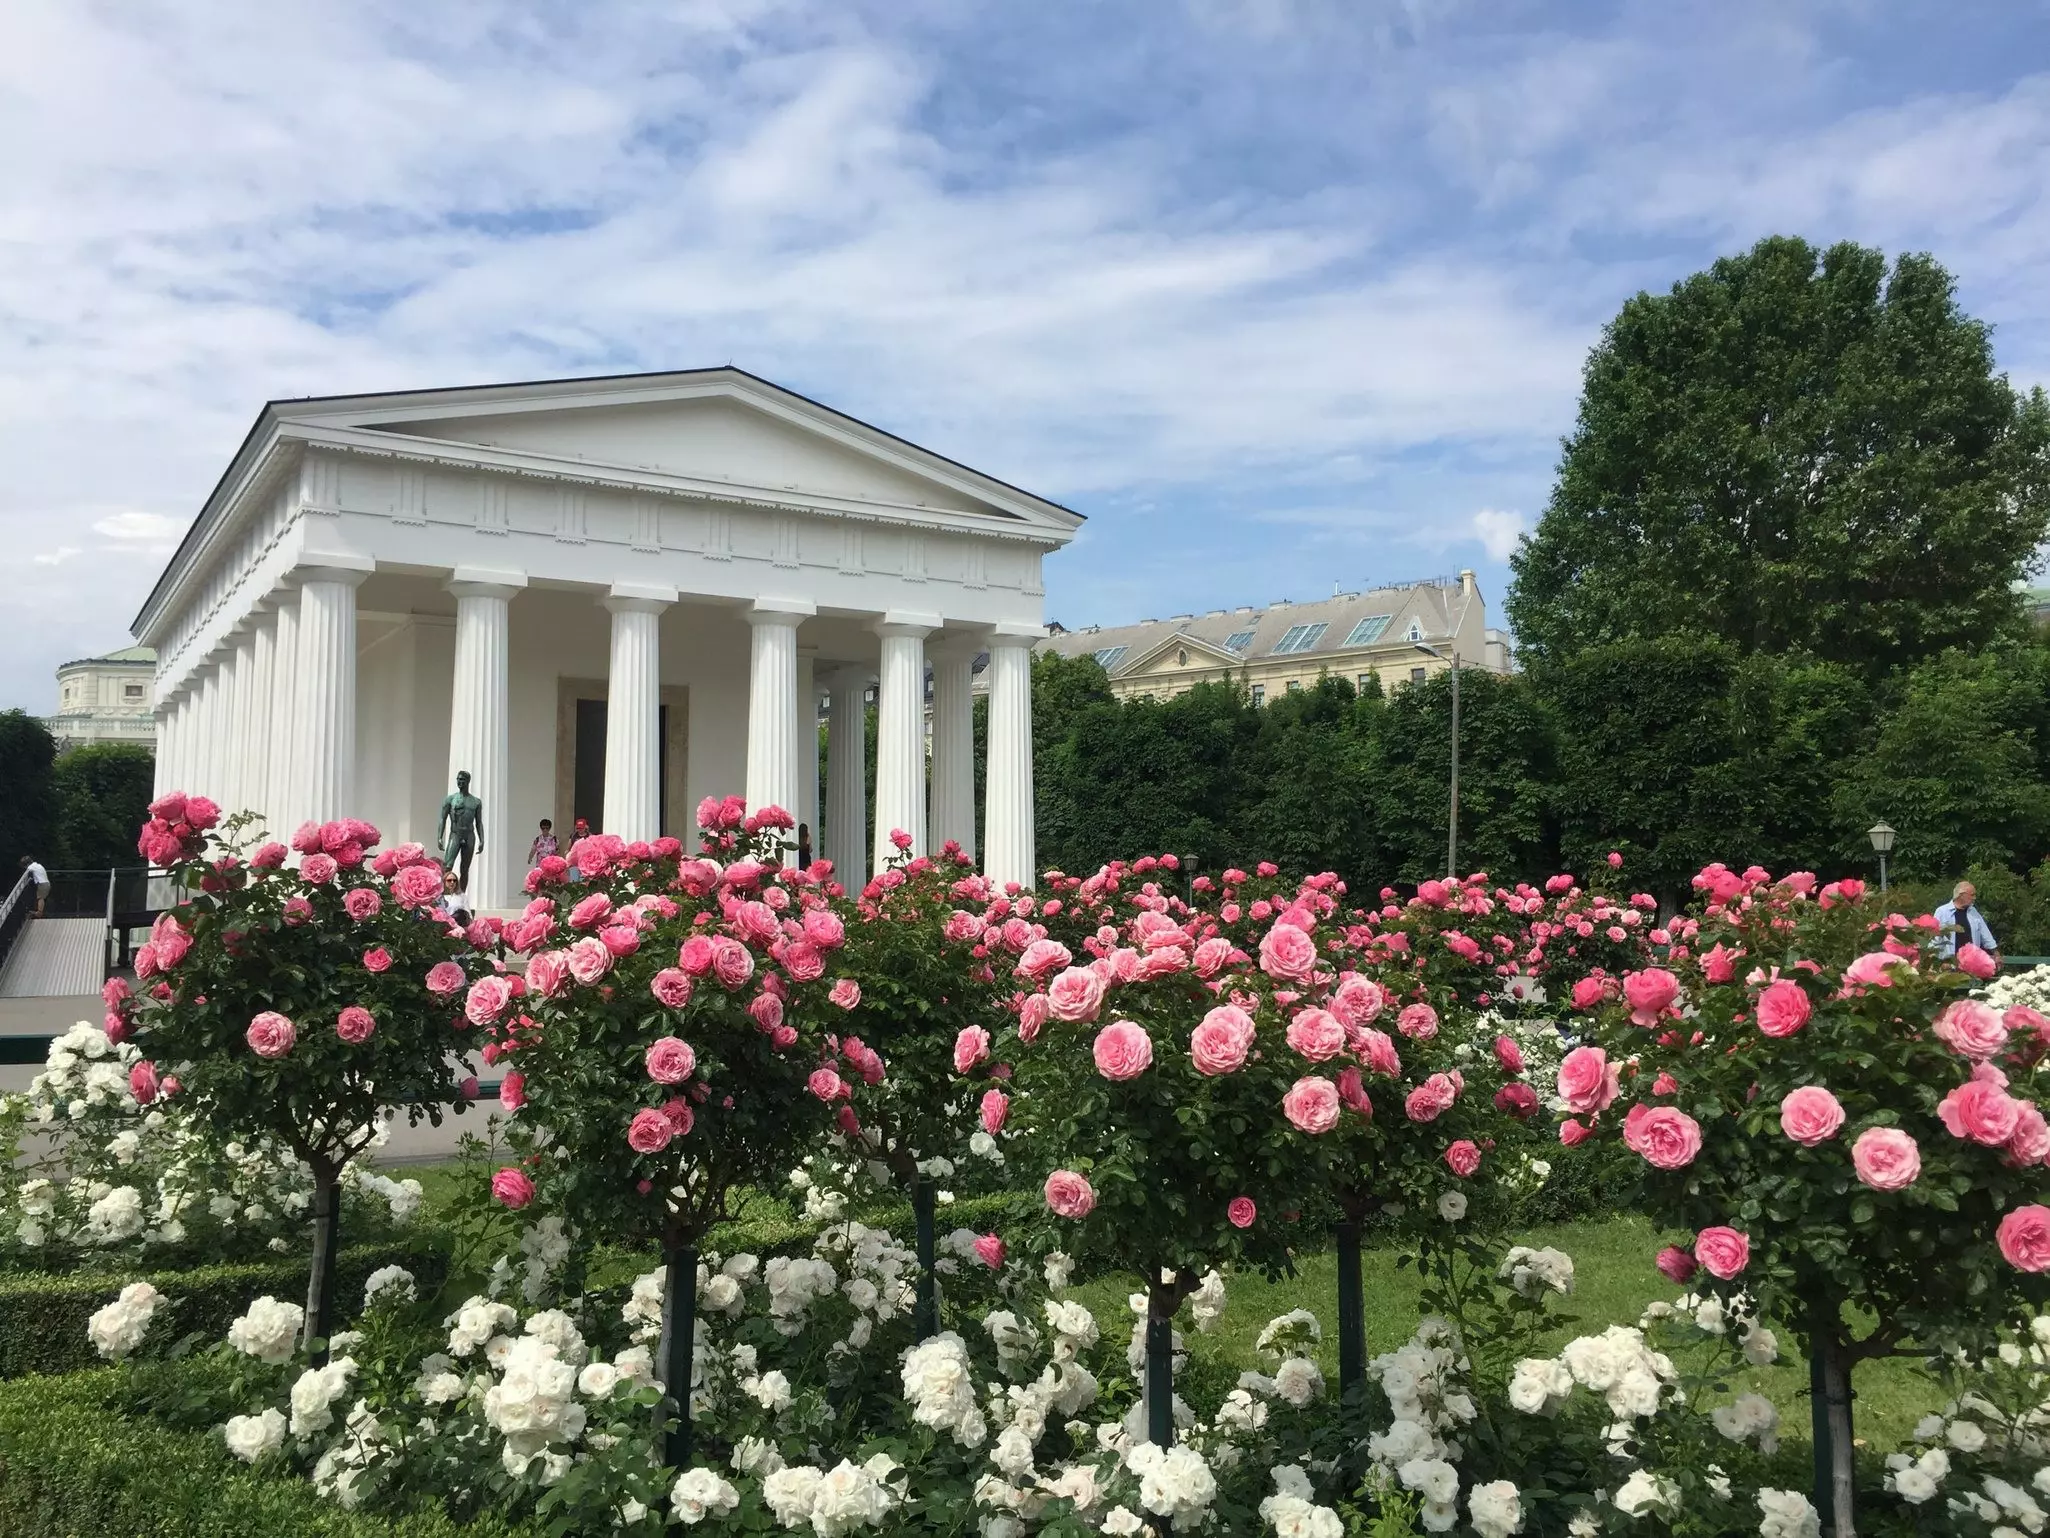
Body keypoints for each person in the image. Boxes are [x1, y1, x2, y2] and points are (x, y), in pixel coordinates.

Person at [1935, 880, 1999, 960]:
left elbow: (1985, 934)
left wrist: (1996, 954)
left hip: (1971, 962)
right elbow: (1935, 938)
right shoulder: (1942, 911)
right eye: (1972, 895)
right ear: (1961, 895)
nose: (1974, 898)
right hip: (1949, 964)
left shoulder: (1973, 911)